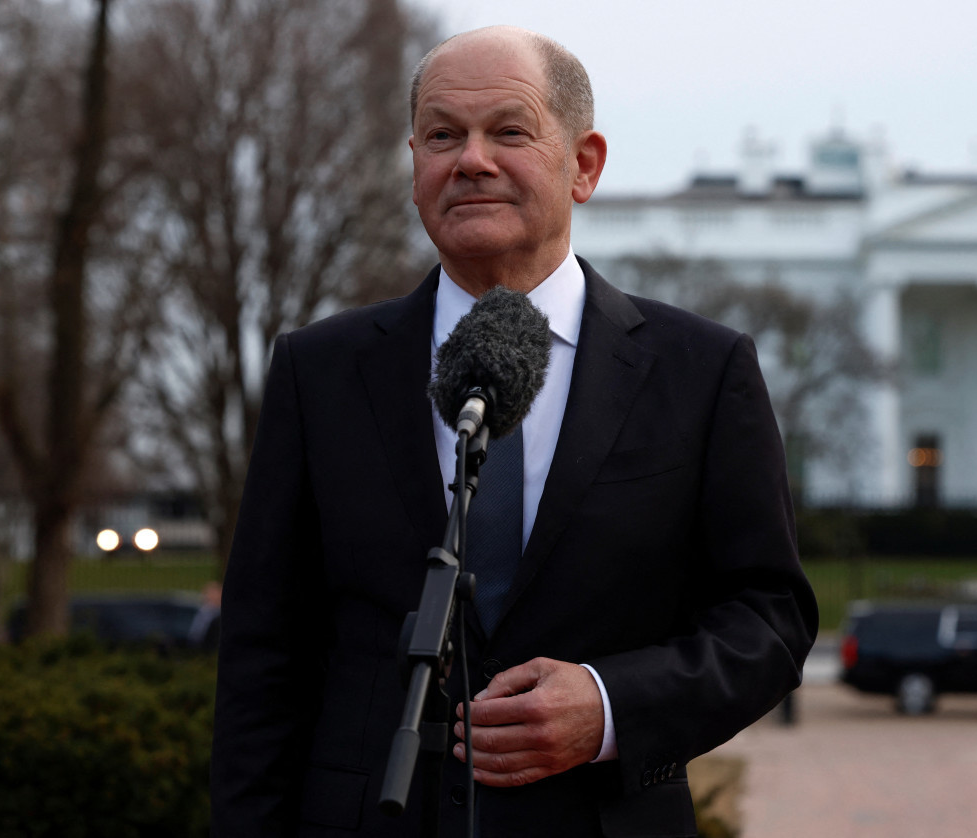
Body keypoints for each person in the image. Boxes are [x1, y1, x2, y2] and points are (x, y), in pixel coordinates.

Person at [210, 25, 817, 838]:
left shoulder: (700, 372)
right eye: (441, 136)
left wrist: (607, 705)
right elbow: (263, 654)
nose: (470, 160)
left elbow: (767, 618)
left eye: (509, 131)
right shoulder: (319, 372)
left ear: (585, 165)